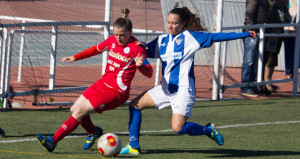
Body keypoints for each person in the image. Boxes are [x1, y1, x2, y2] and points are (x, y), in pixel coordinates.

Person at [119, 7, 256, 155]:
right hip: (165, 89)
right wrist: (134, 46)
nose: (170, 26)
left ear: (183, 23)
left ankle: (207, 130)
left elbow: (217, 36)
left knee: (178, 128)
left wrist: (244, 34)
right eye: (168, 22)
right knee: (134, 106)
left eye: (174, 23)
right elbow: (143, 50)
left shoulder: (191, 37)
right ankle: (134, 146)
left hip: (183, 91)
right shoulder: (162, 40)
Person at [35, 8, 153, 152]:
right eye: (116, 34)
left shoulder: (137, 49)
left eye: (122, 35)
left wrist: (141, 66)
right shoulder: (111, 41)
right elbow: (95, 49)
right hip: (102, 84)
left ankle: (52, 142)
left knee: (78, 112)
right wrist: (75, 57)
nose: (118, 38)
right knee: (74, 109)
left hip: (117, 92)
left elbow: (149, 73)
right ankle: (93, 132)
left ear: (130, 33)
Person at [241, 0, 270, 97]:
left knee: (256, 62)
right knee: (249, 61)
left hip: (260, 34)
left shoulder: (265, 1)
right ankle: (246, 87)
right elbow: (249, 16)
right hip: (252, 34)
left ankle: (253, 87)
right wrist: (252, 32)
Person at [264, 0, 291, 92]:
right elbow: (283, 19)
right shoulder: (277, 4)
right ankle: (266, 83)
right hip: (271, 36)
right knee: (269, 60)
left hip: (277, 35)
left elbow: (287, 20)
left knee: (273, 60)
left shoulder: (282, 5)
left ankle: (268, 81)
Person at [284, 0, 299, 82]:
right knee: (289, 51)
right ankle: (289, 73)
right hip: (290, 28)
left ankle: (292, 72)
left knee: (296, 52)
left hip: (296, 27)